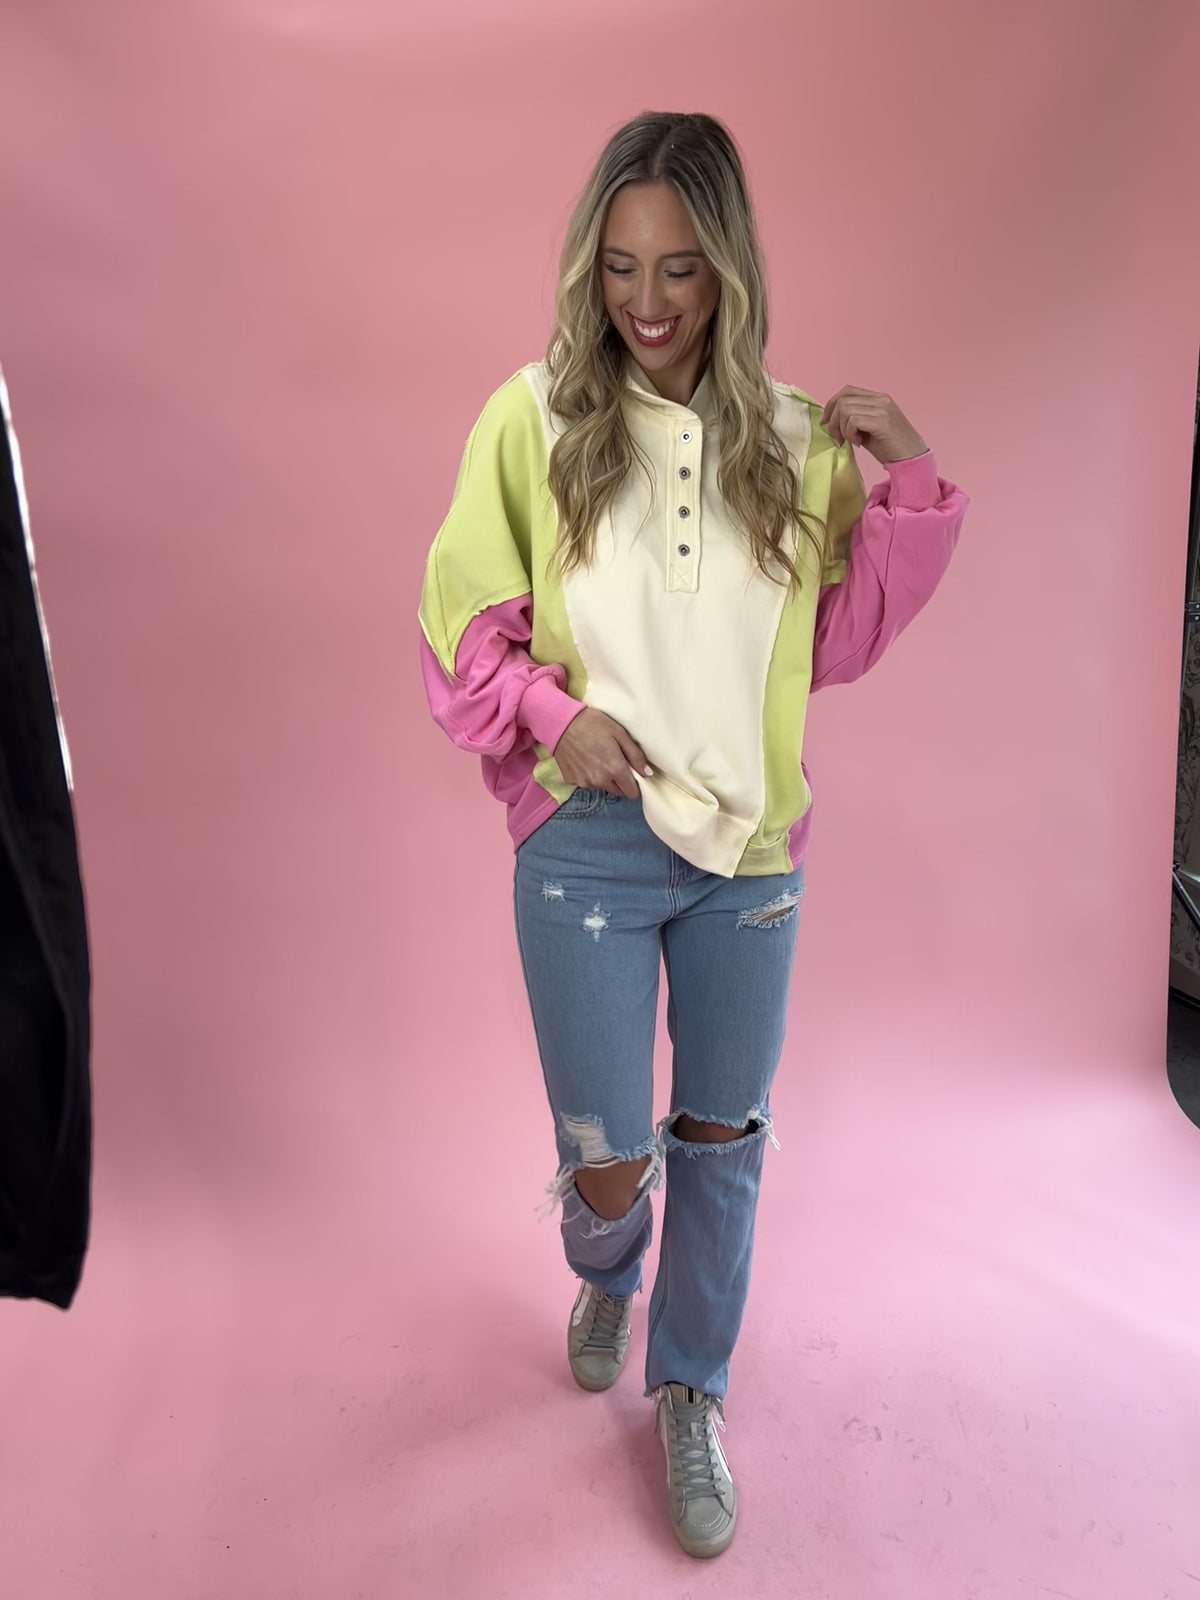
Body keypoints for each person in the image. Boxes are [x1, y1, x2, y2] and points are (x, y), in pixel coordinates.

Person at [417, 110, 969, 1559]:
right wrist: (554, 715)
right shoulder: (530, 417)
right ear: (588, 268)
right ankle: (610, 1266)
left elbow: (833, 642)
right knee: (610, 1157)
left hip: (750, 859)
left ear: (728, 267)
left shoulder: (794, 441)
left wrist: (908, 480)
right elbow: (460, 621)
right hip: (587, 844)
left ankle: (691, 1385)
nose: (647, 304)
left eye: (678, 269)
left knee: (723, 1135)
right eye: (619, 268)